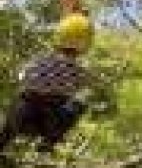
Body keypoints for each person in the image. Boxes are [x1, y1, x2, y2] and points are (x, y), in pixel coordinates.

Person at [0, 12, 93, 155]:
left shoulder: (40, 60)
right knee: (79, 104)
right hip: (48, 122)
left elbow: (22, 77)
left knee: (20, 101)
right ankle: (49, 141)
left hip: (23, 117)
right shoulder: (80, 72)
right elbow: (81, 88)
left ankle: (3, 140)